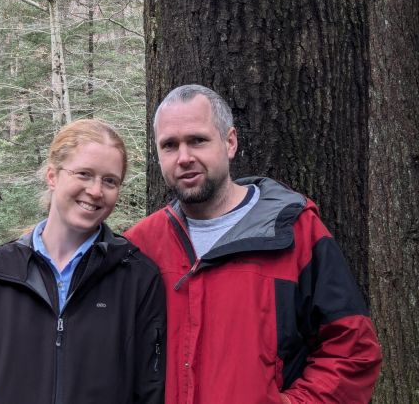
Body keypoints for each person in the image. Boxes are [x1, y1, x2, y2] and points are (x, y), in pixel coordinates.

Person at [124, 84, 382, 404]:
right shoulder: (140, 246)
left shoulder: (294, 231)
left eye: (198, 140)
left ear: (230, 142)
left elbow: (353, 351)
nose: (184, 157)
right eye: (170, 146)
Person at [0, 119, 166, 404]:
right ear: (52, 176)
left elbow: (150, 392)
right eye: (84, 174)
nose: (96, 190)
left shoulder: (138, 278)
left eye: (110, 181)